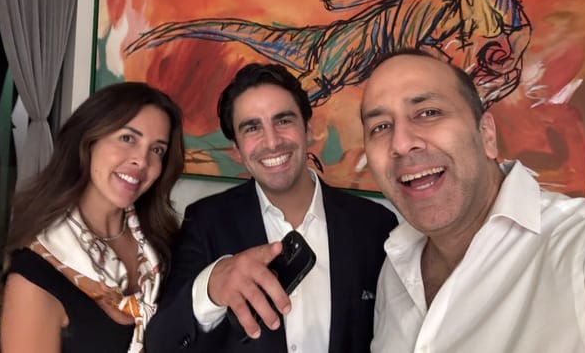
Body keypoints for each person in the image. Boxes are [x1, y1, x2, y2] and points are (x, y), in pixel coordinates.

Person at [360, 48, 585, 352]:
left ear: (487, 135)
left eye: (428, 113)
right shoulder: (395, 264)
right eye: (380, 127)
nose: (401, 144)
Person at [146, 63, 398, 353]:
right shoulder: (204, 222)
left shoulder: (375, 225)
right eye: (252, 128)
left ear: (308, 129)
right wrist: (211, 288)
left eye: (283, 121)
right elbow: (161, 342)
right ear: (237, 150)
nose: (272, 141)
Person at [0, 82, 185, 353]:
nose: (142, 161)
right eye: (127, 138)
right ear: (88, 140)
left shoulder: (162, 243)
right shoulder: (37, 271)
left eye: (157, 149)